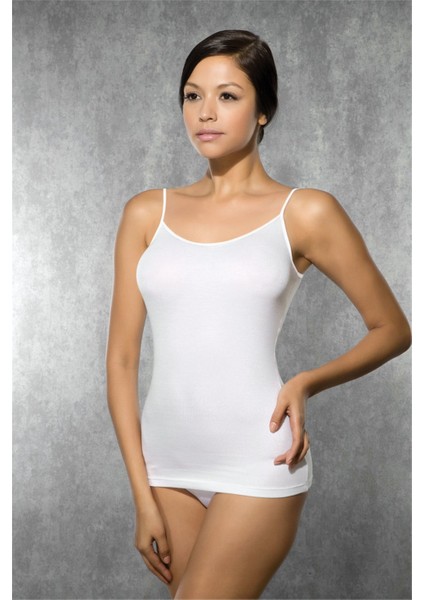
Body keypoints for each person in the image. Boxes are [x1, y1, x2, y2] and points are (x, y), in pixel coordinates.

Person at [106, 29, 411, 599]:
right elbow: (121, 361)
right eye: (192, 96)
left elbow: (393, 329)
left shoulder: (306, 212)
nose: (205, 112)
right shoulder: (146, 213)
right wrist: (140, 493)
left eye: (227, 95)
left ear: (264, 109)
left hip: (258, 453)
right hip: (166, 463)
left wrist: (306, 382)